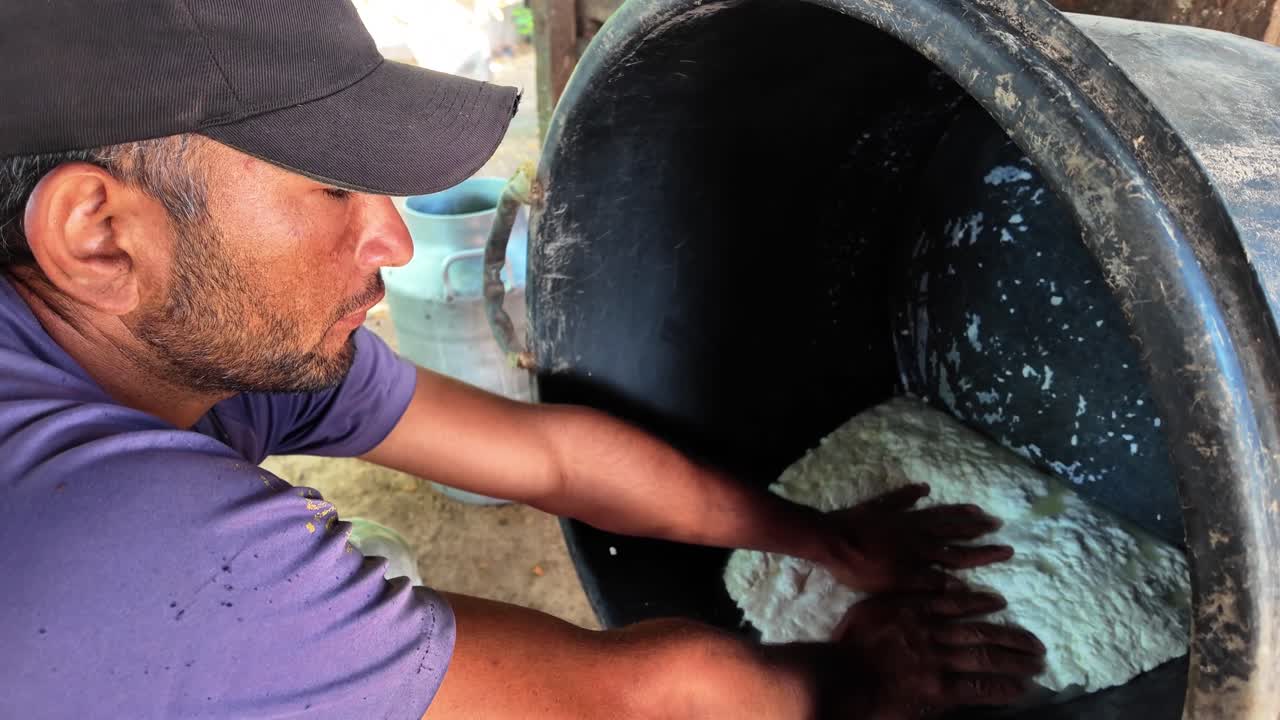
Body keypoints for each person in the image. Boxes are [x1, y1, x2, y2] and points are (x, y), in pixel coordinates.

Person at [0, 1, 1044, 717]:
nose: (393, 241)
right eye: (331, 191)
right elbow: (642, 703)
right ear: (99, 232)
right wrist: (864, 677)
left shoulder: (186, 341)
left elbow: (547, 458)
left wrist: (818, 538)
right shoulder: (131, 548)